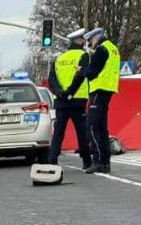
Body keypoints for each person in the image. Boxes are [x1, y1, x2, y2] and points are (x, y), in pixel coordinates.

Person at [74, 27, 121, 174]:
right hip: (108, 89)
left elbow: (93, 71)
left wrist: (81, 70)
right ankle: (106, 162)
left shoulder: (101, 49)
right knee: (102, 128)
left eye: (90, 42)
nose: (90, 45)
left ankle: (97, 160)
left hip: (98, 90)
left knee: (92, 127)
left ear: (95, 38)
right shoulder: (113, 48)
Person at [47, 29, 91, 170]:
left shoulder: (59, 58)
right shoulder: (83, 56)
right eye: (82, 40)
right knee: (82, 132)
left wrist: (61, 94)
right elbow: (81, 76)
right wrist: (70, 93)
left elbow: (51, 80)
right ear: (79, 41)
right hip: (77, 100)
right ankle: (86, 161)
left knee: (58, 133)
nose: (84, 42)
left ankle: (52, 161)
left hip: (61, 102)